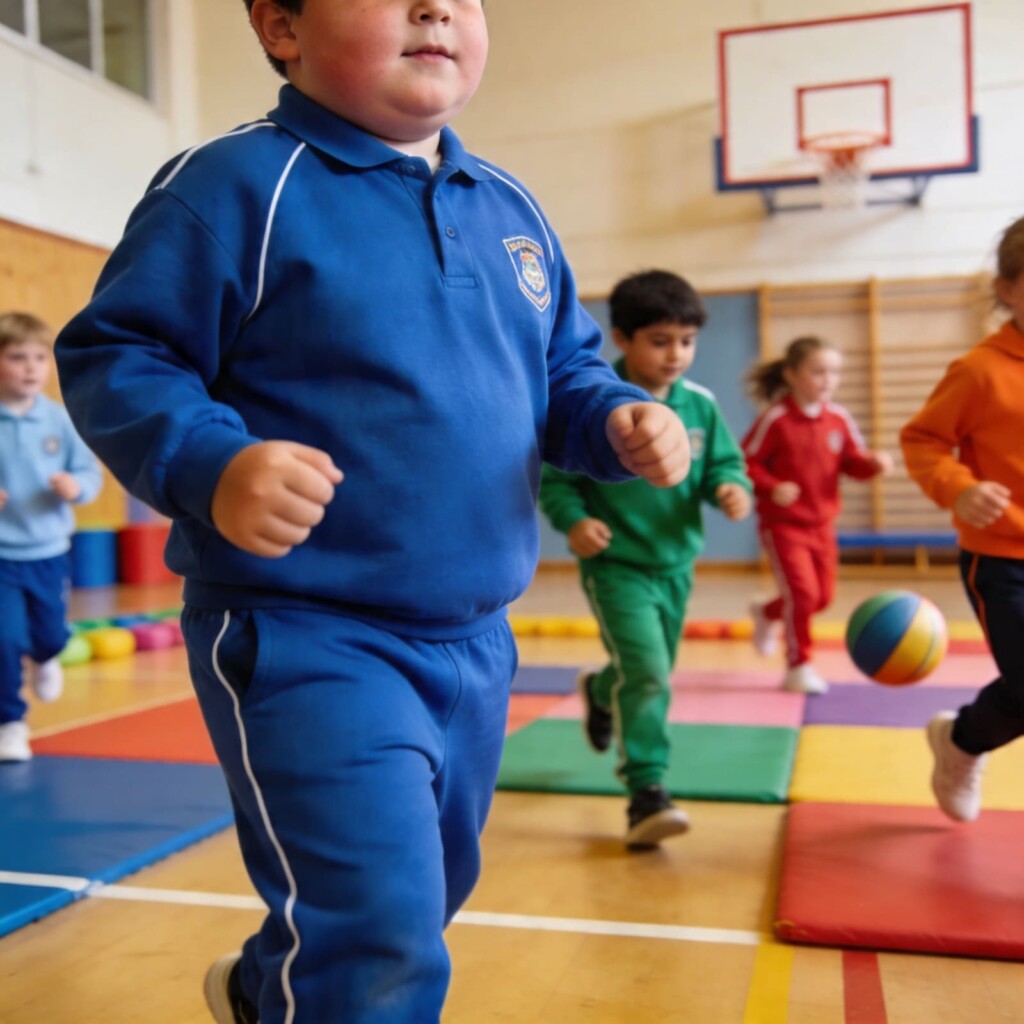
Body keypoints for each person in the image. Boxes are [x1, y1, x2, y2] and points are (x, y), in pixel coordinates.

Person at [54, 3, 691, 1022]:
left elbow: (562, 369)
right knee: (381, 927)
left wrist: (615, 418)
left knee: (425, 894)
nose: (434, 7)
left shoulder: (509, 207)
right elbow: (120, 353)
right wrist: (215, 461)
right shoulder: (237, 184)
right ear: (282, 27)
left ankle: (272, 990)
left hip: (476, 638)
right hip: (305, 628)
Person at [539, 270, 751, 850]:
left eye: (686, 341)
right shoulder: (597, 405)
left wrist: (732, 490)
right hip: (617, 567)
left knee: (643, 670)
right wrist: (574, 521)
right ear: (622, 338)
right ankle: (647, 792)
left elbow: (722, 468)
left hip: (676, 566)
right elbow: (557, 480)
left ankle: (602, 688)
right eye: (660, 341)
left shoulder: (701, 407)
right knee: (652, 673)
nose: (676, 354)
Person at [901, 215, 1024, 823]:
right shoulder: (980, 371)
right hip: (1002, 558)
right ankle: (961, 742)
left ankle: (962, 737)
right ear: (1008, 289)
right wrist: (960, 488)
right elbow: (923, 441)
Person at [742, 336, 892, 694]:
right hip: (783, 526)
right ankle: (799, 665)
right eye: (818, 371)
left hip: (822, 525)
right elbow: (745, 462)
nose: (828, 380)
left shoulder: (838, 418)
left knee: (821, 598)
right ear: (792, 374)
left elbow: (852, 462)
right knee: (803, 594)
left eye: (834, 372)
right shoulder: (775, 419)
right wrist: (772, 485)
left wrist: (873, 464)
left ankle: (767, 613)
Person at [0, 312, 101, 763]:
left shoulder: (57, 420)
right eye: (17, 357)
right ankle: (10, 722)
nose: (30, 367)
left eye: (39, 358)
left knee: (48, 634)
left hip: (49, 551)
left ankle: (47, 655)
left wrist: (76, 487)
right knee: (4, 638)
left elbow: (88, 471)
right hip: (3, 555)